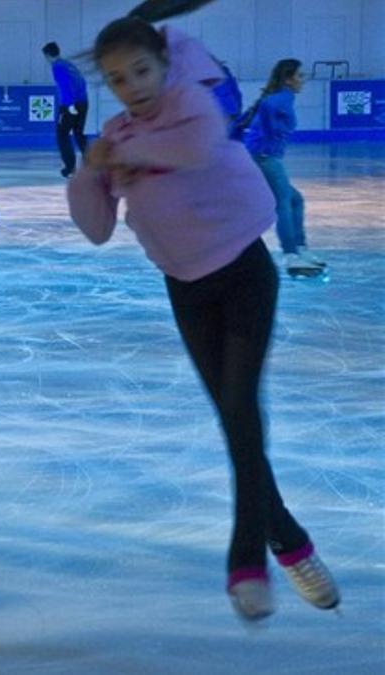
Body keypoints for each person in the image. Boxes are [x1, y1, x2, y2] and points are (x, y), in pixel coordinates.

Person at [65, 17, 339, 622]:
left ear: (163, 64)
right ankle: (288, 538)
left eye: (141, 70)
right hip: (185, 287)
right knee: (234, 420)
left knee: (241, 409)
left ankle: (248, 561)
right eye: (117, 78)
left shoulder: (191, 102)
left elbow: (198, 146)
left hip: (244, 272)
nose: (133, 86)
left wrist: (126, 152)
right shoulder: (115, 132)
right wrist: (91, 169)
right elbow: (96, 228)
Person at [243, 58, 326, 278]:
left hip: (263, 155)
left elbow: (259, 111)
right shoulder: (281, 98)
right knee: (284, 203)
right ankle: (291, 255)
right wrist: (270, 130)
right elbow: (266, 107)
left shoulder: (282, 97)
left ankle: (299, 249)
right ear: (288, 79)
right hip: (265, 157)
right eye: (299, 76)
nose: (303, 80)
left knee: (295, 200)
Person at [42, 41, 89, 177]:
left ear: (48, 55)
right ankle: (92, 164)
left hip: (70, 104)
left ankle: (70, 167)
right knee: (79, 133)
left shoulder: (57, 67)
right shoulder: (69, 65)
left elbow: (65, 86)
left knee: (62, 134)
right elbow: (82, 82)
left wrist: (70, 105)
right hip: (83, 102)